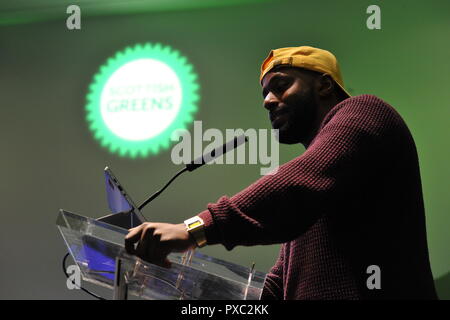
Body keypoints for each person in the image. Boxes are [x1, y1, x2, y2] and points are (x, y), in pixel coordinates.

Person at [125, 46, 438, 300]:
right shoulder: (319, 191)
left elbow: (300, 183)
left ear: (324, 84)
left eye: (281, 85)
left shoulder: (365, 112)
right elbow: (280, 282)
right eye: (265, 92)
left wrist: (195, 228)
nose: (268, 101)